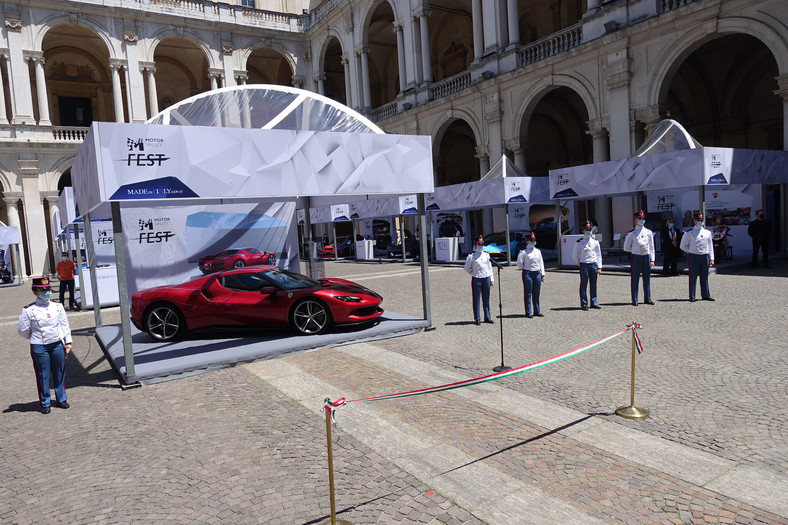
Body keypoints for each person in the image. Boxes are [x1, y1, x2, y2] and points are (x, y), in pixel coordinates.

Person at [17, 277, 73, 414]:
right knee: (43, 374)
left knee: (59, 371)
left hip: (57, 344)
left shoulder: (57, 306)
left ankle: (61, 398)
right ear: (35, 291)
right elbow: (22, 330)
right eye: (42, 290)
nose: (46, 292)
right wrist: (33, 337)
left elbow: (64, 325)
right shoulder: (29, 310)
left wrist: (68, 341)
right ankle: (45, 402)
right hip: (40, 345)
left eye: (47, 289)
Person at [680, 211, 715, 302]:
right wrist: (690, 252)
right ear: (694, 221)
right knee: (693, 276)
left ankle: (705, 295)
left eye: (701, 220)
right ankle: (692, 296)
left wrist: (712, 258)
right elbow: (682, 246)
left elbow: (710, 246)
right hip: (694, 256)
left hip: (705, 256)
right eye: (698, 220)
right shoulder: (689, 233)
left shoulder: (707, 232)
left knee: (704, 276)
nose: (700, 221)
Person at [623, 210, 655, 306]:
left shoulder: (649, 232)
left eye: (642, 218)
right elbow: (626, 247)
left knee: (647, 278)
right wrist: (634, 251)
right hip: (636, 257)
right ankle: (635, 299)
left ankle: (647, 298)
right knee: (635, 278)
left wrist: (652, 259)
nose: (641, 220)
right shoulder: (632, 233)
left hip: (646, 256)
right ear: (635, 220)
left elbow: (652, 247)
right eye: (639, 219)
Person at [464, 235, 494, 325]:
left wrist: (492, 279)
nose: (480, 246)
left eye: (481, 244)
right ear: (475, 245)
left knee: (486, 298)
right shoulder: (471, 256)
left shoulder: (486, 255)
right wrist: (472, 273)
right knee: (476, 298)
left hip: (486, 278)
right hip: (477, 278)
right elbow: (466, 268)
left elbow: (489, 268)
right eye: (478, 244)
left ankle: (487, 317)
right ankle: (477, 318)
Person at [572, 221, 603, 311]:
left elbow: (598, 255)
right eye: (586, 229)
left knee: (593, 284)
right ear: (583, 230)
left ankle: (594, 302)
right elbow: (575, 255)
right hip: (584, 264)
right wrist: (580, 264)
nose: (588, 231)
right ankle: (584, 303)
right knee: (584, 284)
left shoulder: (595, 242)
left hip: (593, 264)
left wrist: (599, 267)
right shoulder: (579, 242)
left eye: (590, 229)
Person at [515, 232, 545, 318]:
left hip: (537, 273)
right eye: (531, 240)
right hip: (528, 272)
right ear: (527, 241)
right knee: (528, 292)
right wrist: (524, 268)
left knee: (536, 292)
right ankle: (528, 311)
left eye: (534, 240)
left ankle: (537, 310)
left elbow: (541, 263)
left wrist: (543, 274)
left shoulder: (538, 251)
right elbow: (519, 263)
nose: (533, 242)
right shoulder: (523, 252)